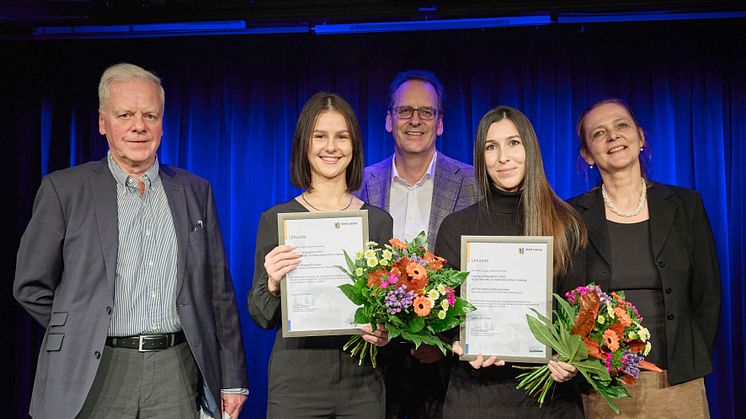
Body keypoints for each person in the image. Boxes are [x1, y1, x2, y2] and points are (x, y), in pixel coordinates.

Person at [13, 63, 248, 419]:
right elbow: (30, 286)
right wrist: (82, 327)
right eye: (125, 114)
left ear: (162, 122)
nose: (139, 126)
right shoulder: (64, 190)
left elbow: (219, 293)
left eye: (150, 115)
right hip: (95, 370)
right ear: (102, 122)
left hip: (177, 370)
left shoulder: (195, 191)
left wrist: (232, 380)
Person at [568, 99, 720, 418]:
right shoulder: (570, 217)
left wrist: (689, 356)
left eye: (621, 126)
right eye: (599, 133)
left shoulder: (685, 205)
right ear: (586, 154)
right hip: (605, 387)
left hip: (678, 383)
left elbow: (708, 295)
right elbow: (565, 301)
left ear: (641, 137)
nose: (613, 136)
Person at [435, 105, 587, 418]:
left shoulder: (566, 224)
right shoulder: (456, 227)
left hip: (549, 400)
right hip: (475, 398)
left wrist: (571, 358)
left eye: (514, 143)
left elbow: (581, 317)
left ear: (530, 148)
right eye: (492, 147)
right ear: (481, 157)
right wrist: (456, 342)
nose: (503, 157)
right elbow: (442, 319)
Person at [248, 92, 393, 418]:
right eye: (320, 137)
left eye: (342, 137)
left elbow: (386, 310)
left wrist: (385, 332)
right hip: (296, 382)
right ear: (304, 145)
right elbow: (259, 313)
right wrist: (272, 283)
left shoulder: (379, 222)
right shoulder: (276, 219)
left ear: (354, 145)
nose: (331, 147)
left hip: (362, 383)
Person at [356, 69, 479, 418]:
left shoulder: (472, 183)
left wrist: (444, 339)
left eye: (427, 112)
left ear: (439, 123)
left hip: (447, 367)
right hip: (375, 360)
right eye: (404, 111)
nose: (415, 120)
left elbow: (480, 271)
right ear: (388, 120)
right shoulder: (360, 184)